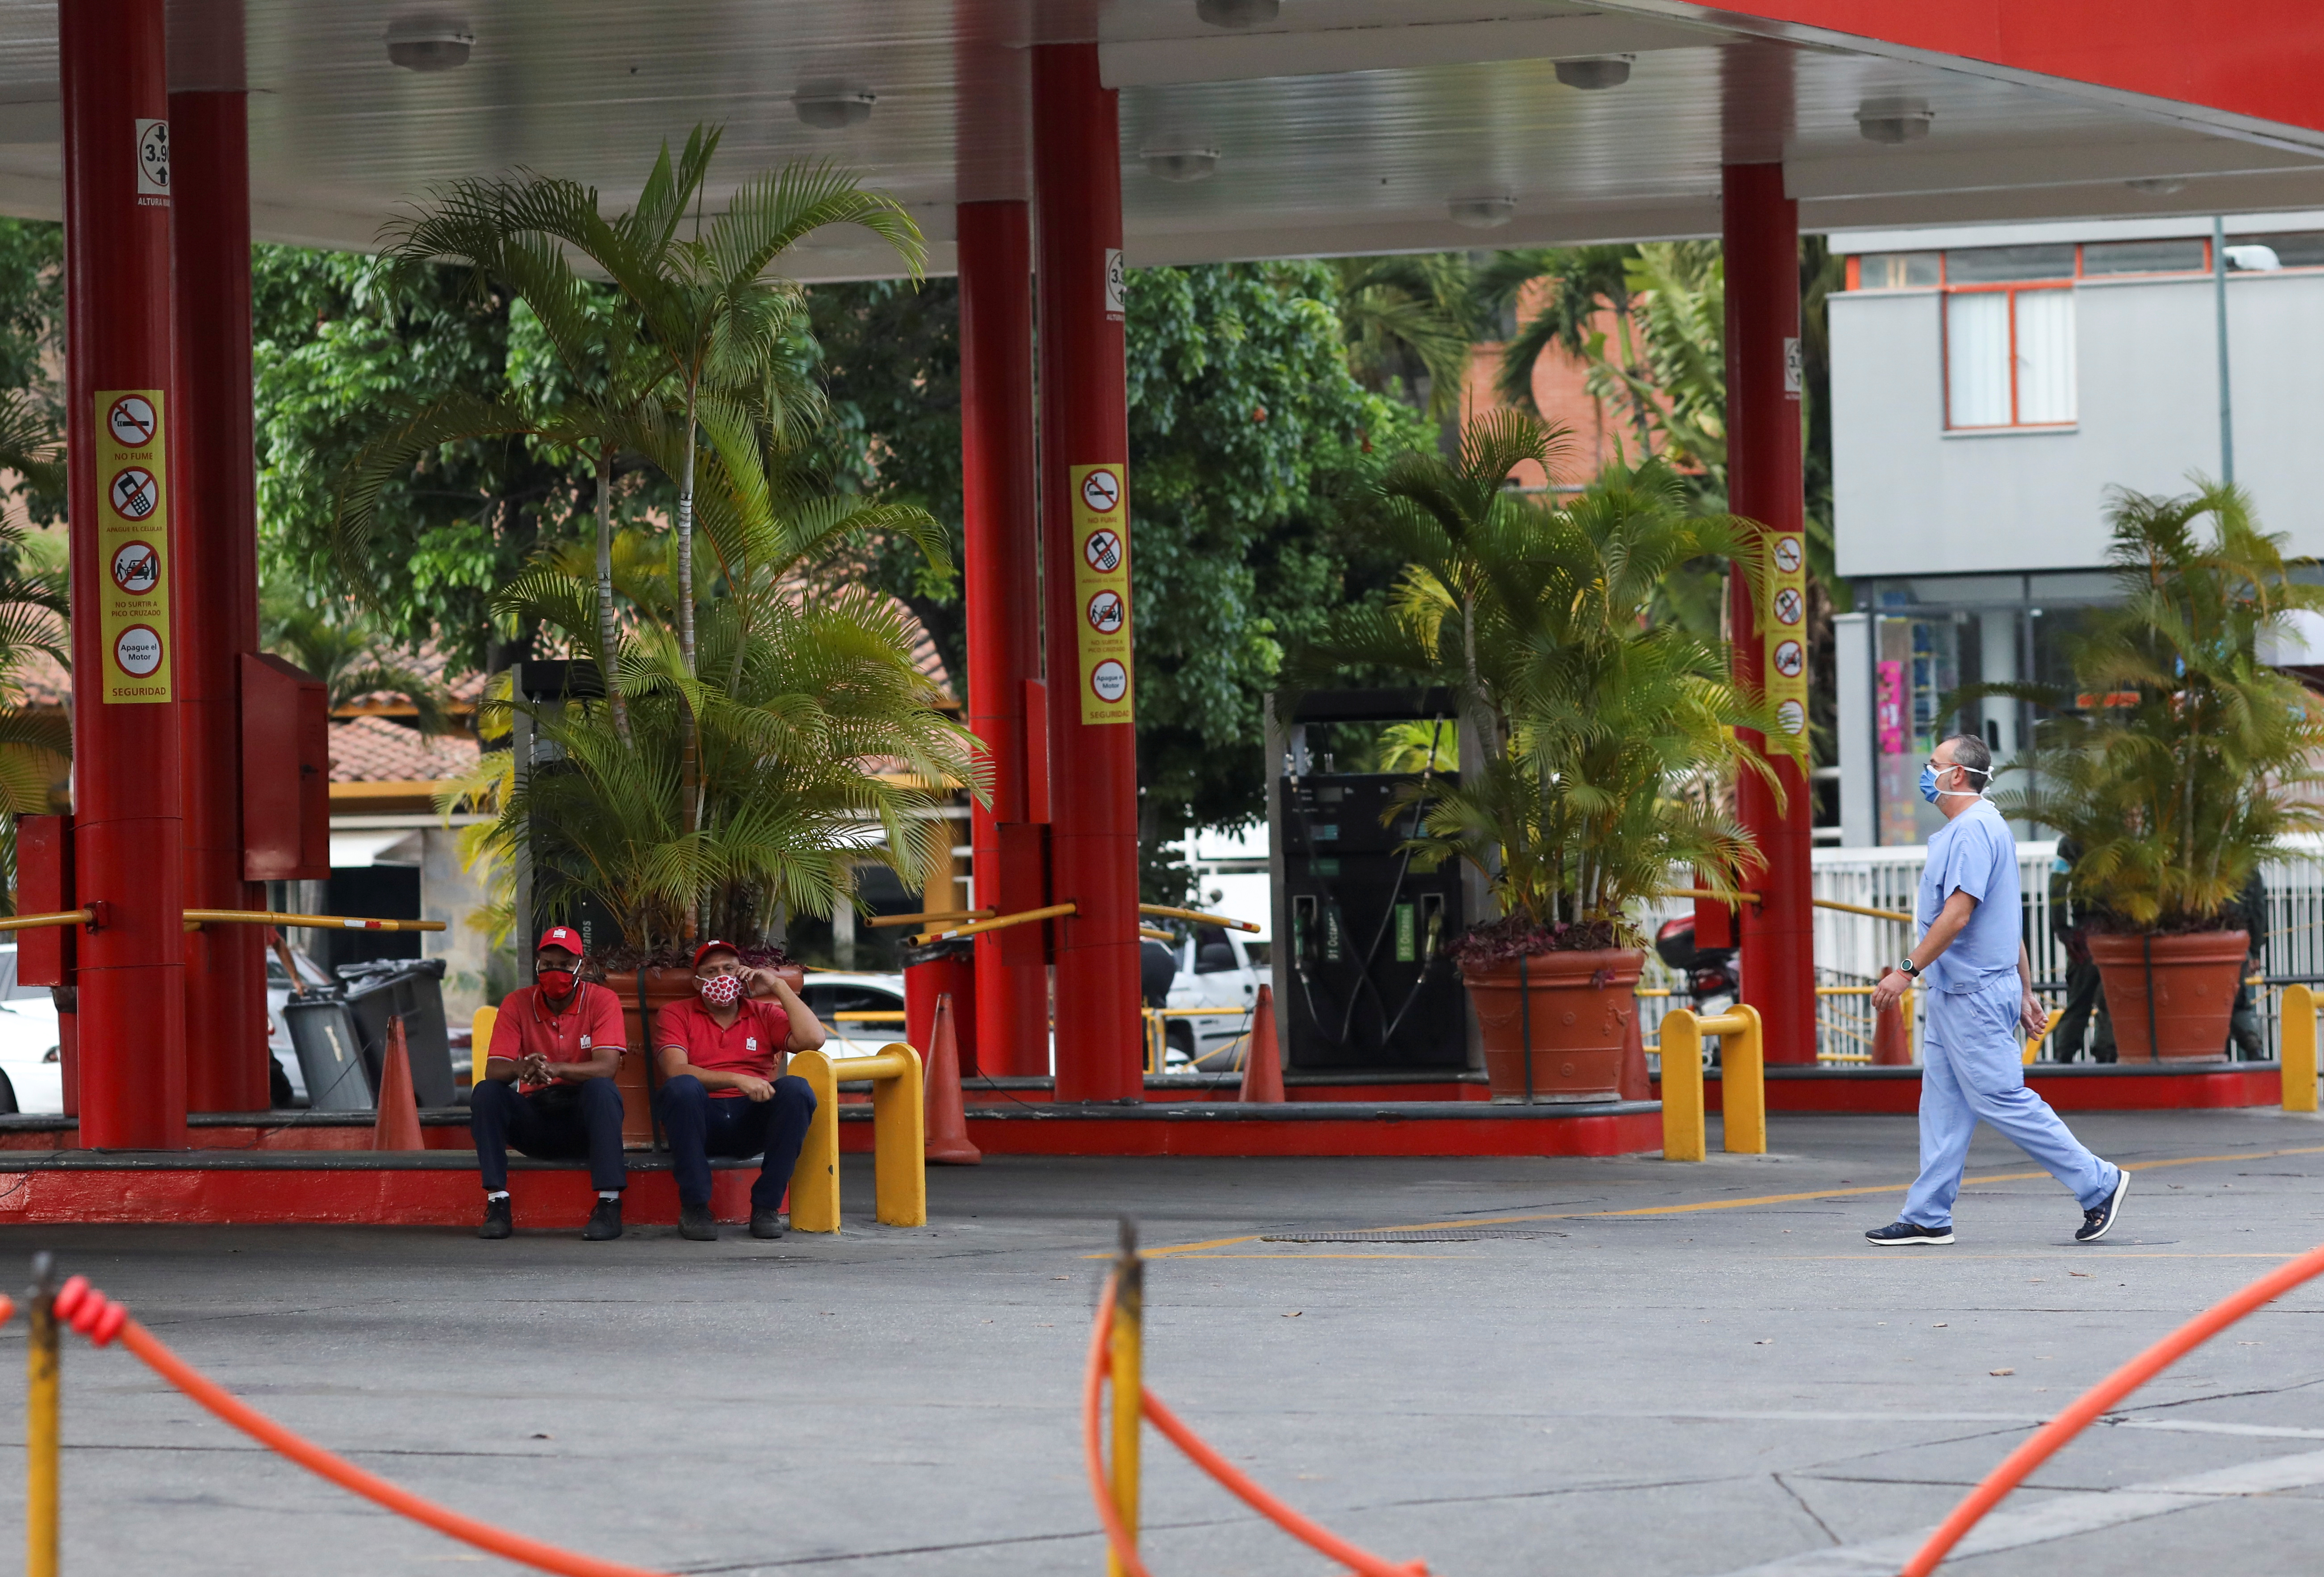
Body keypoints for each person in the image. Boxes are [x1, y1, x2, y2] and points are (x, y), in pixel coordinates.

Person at [1866, 734, 2129, 1247]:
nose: (1926, 772)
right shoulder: (1979, 827)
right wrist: (2026, 991)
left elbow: (1958, 915)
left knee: (2001, 1098)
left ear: (1956, 775)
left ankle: (2098, 1182)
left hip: (1972, 993)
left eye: (1932, 764)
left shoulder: (1971, 832)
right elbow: (2005, 920)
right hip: (1961, 991)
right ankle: (1927, 1214)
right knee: (1942, 1105)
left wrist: (1904, 970)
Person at [654, 941, 824, 1242]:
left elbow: (813, 1039)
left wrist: (777, 986)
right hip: (701, 1121)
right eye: (712, 971)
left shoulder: (763, 1013)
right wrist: (738, 1078)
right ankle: (695, 1208)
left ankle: (766, 1207)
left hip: (751, 1118)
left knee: (797, 1089)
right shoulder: (676, 1013)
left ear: (742, 973)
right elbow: (676, 1069)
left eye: (729, 968)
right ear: (698, 982)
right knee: (682, 1087)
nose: (722, 976)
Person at [472, 926, 628, 1241]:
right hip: (536, 1118)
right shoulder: (517, 1003)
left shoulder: (603, 1000)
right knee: (486, 1092)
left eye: (564, 965)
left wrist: (556, 1068)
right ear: (538, 965)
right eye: (547, 964)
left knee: (603, 1089)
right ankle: (497, 1202)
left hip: (583, 1122)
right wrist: (522, 1067)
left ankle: (609, 1204)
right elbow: (494, 1069)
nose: (554, 972)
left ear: (580, 967)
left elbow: (609, 1066)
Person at [2047, 837, 2115, 1063]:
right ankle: (2106, 1055)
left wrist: (2063, 929)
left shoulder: (2071, 841)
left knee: (2080, 1002)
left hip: (2085, 936)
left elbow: (2057, 885)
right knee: (2110, 1002)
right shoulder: (2115, 838)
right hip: (2114, 934)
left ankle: (2063, 1057)